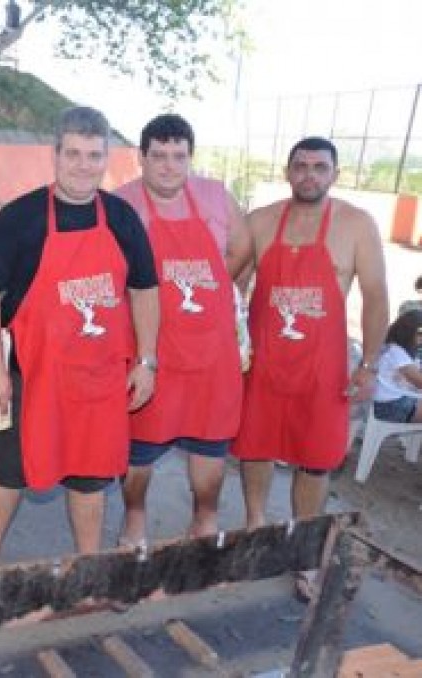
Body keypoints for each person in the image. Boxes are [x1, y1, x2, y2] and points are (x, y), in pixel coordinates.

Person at [0, 106, 159, 572]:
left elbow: (145, 289)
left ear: (106, 159)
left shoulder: (121, 218)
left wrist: (148, 361)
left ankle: (87, 566)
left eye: (94, 155)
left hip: (97, 380)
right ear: (55, 156)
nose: (83, 164)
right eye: (73, 154)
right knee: (5, 473)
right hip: (28, 377)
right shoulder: (21, 217)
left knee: (90, 480)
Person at [232, 137, 388, 586]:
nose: (309, 175)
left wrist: (370, 364)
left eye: (320, 167)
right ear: (287, 172)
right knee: (255, 446)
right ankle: (255, 528)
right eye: (300, 166)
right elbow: (232, 283)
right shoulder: (260, 221)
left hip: (322, 367)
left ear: (334, 174)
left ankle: (302, 548)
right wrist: (233, 340)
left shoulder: (356, 225)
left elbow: (376, 296)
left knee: (315, 459)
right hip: (262, 361)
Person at [114, 113, 250, 547]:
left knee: (211, 445)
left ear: (191, 157)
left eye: (179, 156)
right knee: (139, 447)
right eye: (159, 156)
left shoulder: (215, 196)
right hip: (152, 349)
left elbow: (243, 247)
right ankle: (134, 522)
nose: (169, 166)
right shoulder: (122, 203)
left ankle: (205, 521)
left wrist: (212, 288)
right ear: (142, 158)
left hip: (212, 353)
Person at [373, 309, 422, 423]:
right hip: (390, 407)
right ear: (410, 332)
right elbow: (419, 382)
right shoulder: (397, 352)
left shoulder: (389, 346)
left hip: (383, 403)